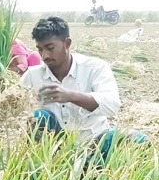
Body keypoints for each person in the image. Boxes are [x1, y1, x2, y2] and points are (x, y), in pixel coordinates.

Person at [21, 16, 148, 166]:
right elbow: (15, 107)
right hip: (56, 145)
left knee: (138, 140)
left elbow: (112, 105)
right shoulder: (33, 75)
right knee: (38, 116)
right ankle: (48, 163)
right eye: (40, 49)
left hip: (95, 140)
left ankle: (95, 166)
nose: (45, 56)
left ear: (67, 43)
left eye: (50, 48)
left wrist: (71, 96)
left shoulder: (95, 67)